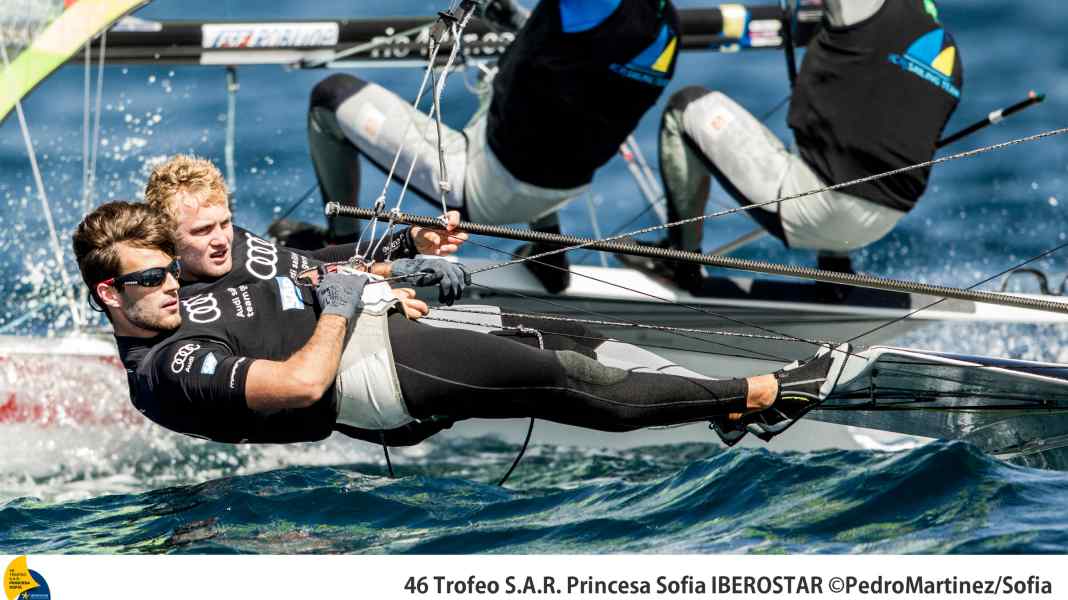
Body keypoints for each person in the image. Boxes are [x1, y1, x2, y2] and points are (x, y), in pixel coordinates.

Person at [74, 201, 851, 449]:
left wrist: (397, 260)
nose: (173, 283)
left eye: (170, 266)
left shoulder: (198, 273)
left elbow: (308, 274)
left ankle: (711, 400)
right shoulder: (165, 367)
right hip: (365, 381)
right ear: (110, 294)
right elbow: (303, 381)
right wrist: (348, 300)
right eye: (151, 278)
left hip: (373, 328)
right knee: (558, 379)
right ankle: (754, 395)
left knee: (567, 340)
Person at [301, 0, 681, 293]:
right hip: (568, 186)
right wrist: (521, 24)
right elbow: (583, 62)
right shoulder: (666, 27)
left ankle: (343, 249)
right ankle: (548, 255)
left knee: (329, 97)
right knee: (559, 117)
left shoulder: (590, 8)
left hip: (486, 189)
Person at [632, 0, 962, 291]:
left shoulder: (863, 9)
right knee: (852, 138)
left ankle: (680, 265)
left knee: (685, 108)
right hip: (884, 219)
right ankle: (835, 276)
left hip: (816, 211)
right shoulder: (946, 55)